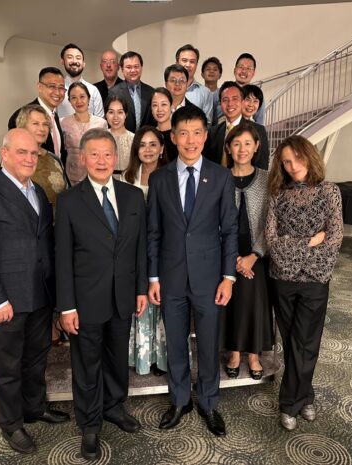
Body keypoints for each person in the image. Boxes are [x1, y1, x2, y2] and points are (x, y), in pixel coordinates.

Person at [0, 129, 69, 455]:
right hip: (6, 300)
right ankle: (11, 423)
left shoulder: (36, 189)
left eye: (34, 153)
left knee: (36, 358)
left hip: (39, 293)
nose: (28, 159)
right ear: (4, 153)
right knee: (7, 366)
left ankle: (34, 407)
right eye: (21, 152)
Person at [56, 129, 148, 460]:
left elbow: (139, 250)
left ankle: (113, 406)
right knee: (86, 363)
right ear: (82, 158)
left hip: (124, 295)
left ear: (116, 158)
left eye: (107, 154)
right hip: (85, 300)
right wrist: (66, 306)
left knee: (116, 357)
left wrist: (140, 289)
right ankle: (90, 424)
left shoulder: (133, 196)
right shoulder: (68, 201)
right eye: (93, 154)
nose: (101, 161)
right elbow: (62, 257)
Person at [147, 105, 237, 437]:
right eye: (183, 133)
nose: (190, 140)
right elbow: (153, 232)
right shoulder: (159, 179)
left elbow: (229, 230)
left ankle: (209, 402)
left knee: (209, 343)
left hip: (210, 278)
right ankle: (180, 399)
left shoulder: (221, 176)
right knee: (175, 343)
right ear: (173, 138)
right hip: (170, 279)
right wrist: (153, 277)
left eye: (197, 132)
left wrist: (228, 277)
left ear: (205, 136)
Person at [265, 135, 343, 431]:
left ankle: (290, 403)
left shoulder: (329, 191)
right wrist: (311, 241)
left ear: (309, 156)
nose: (293, 165)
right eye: (286, 161)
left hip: (315, 280)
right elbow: (273, 242)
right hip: (282, 280)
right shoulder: (277, 193)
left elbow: (334, 239)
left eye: (297, 158)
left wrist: (294, 247)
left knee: (307, 342)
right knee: (293, 341)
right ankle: (306, 396)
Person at [222, 123, 273, 381]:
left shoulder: (267, 178)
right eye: (236, 144)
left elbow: (272, 222)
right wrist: (231, 258)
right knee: (231, 300)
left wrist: (253, 255)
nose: (242, 149)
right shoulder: (218, 177)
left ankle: (253, 354)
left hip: (258, 254)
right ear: (229, 148)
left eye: (247, 144)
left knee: (254, 300)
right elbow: (211, 221)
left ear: (256, 147)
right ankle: (233, 352)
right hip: (227, 252)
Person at [121, 126, 169, 375]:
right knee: (140, 299)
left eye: (153, 144)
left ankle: (161, 358)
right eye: (142, 144)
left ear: (162, 149)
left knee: (161, 300)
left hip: (164, 248)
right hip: (135, 248)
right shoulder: (127, 177)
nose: (147, 149)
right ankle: (141, 356)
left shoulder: (170, 176)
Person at [8, 67, 67, 166]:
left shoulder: (54, 115)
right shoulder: (21, 115)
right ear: (39, 87)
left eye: (61, 88)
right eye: (52, 86)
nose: (57, 92)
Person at [15, 104, 68, 210]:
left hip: (57, 223)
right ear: (22, 126)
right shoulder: (15, 158)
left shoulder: (54, 159)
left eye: (45, 124)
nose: (42, 129)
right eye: (36, 124)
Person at [208, 81, 270, 170]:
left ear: (242, 101)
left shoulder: (258, 130)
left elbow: (262, 168)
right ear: (220, 104)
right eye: (225, 100)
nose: (230, 104)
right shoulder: (213, 132)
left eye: (235, 99)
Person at [60, 81, 108, 185]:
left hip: (95, 175)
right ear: (69, 101)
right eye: (74, 98)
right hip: (71, 176)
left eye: (82, 96)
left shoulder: (101, 124)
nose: (79, 101)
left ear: (89, 98)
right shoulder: (63, 122)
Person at [109, 51, 155, 133]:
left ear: (141, 68)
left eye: (136, 66)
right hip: (123, 139)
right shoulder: (114, 92)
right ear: (122, 70)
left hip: (146, 140)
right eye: (129, 67)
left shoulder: (151, 92)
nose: (133, 70)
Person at [56, 43, 105, 119]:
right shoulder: (56, 90)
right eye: (70, 57)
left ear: (84, 63)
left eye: (78, 58)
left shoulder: (93, 90)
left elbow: (100, 120)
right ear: (62, 61)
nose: (74, 61)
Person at [175, 44, 214, 125]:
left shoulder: (205, 93)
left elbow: (207, 124)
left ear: (196, 65)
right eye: (184, 60)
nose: (188, 65)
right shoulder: (166, 90)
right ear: (176, 63)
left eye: (192, 62)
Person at [104, 96, 134, 177]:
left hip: (129, 182)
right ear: (106, 114)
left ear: (126, 114)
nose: (115, 117)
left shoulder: (134, 139)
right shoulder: (100, 138)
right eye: (111, 112)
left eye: (120, 112)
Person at [234, 53, 265, 125]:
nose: (244, 71)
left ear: (253, 73)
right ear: (235, 70)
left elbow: (259, 122)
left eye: (248, 68)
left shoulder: (257, 96)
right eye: (241, 67)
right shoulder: (222, 92)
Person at [150, 87, 177, 160]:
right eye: (155, 105)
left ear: (171, 107)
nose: (159, 109)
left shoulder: (179, 134)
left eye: (164, 104)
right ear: (151, 109)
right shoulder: (149, 135)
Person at [201, 56, 223, 125]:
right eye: (208, 69)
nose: (211, 71)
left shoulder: (224, 94)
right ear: (202, 74)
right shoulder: (197, 94)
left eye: (215, 69)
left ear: (220, 75)